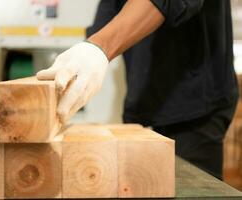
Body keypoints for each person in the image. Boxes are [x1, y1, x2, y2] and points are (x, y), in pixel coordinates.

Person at [36, 0, 238, 179]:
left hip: (195, 104)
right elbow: (110, 7)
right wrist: (83, 54)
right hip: (145, 100)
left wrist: (99, 48)